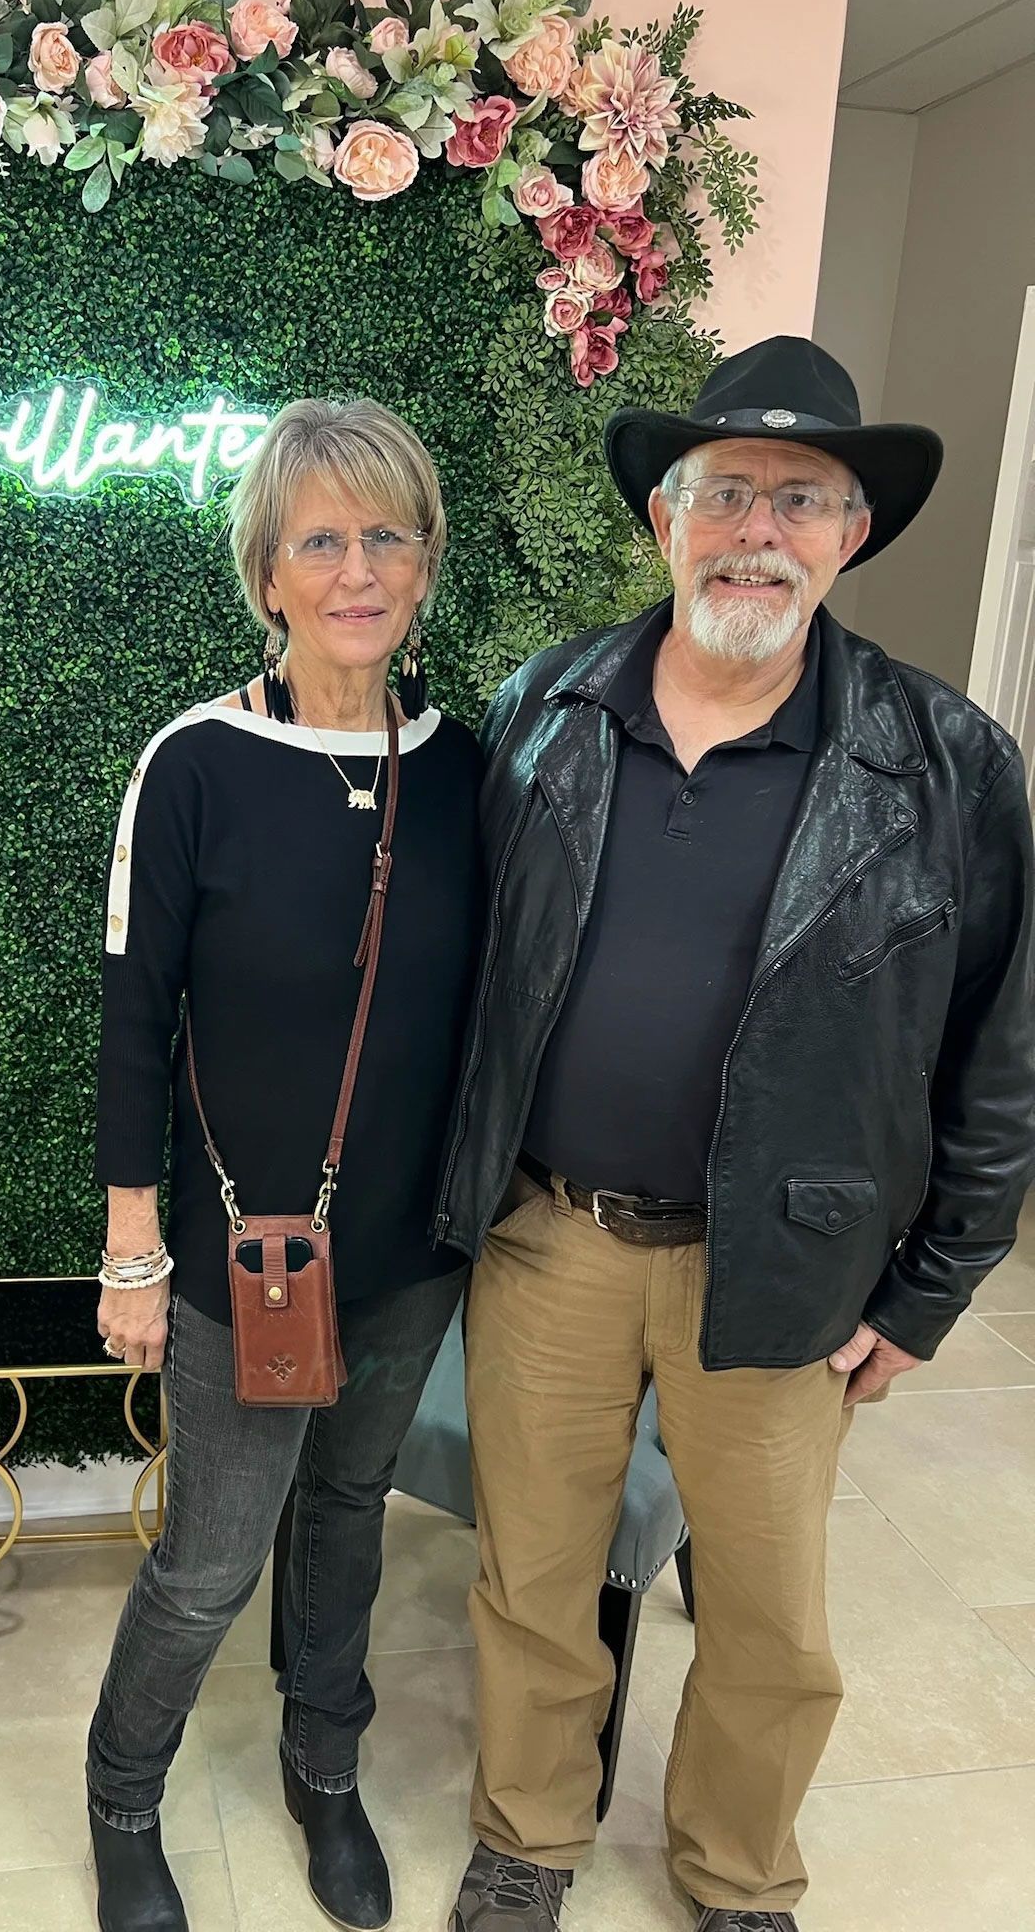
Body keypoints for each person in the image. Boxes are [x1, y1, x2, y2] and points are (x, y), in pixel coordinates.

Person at [438, 336, 1035, 1932]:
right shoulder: (542, 709)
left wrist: (929, 1292)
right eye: (724, 493)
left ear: (851, 535)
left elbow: (999, 1050)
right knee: (534, 1578)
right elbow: (468, 979)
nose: (756, 529)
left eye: (801, 498)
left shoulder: (948, 763)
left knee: (768, 1616)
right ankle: (526, 1834)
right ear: (663, 519)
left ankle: (738, 1869)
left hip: (786, 1264)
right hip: (547, 1240)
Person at [87, 397, 481, 1932]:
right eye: (323, 538)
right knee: (207, 1563)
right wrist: (134, 1250)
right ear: (268, 574)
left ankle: (327, 1769)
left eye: (389, 534)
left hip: (408, 1257)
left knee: (347, 1519)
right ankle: (124, 1791)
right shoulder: (196, 764)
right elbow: (134, 1018)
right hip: (242, 1263)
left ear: (425, 565)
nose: (359, 567)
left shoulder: (466, 770)